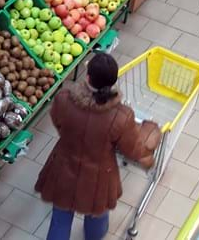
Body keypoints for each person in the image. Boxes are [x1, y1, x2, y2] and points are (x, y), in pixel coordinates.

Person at [35, 53, 161, 240]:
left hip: (62, 169)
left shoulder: (64, 99)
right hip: (99, 178)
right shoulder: (121, 116)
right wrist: (151, 131)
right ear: (113, 82)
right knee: (97, 215)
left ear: (87, 77)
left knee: (60, 219)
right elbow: (132, 149)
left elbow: (59, 123)